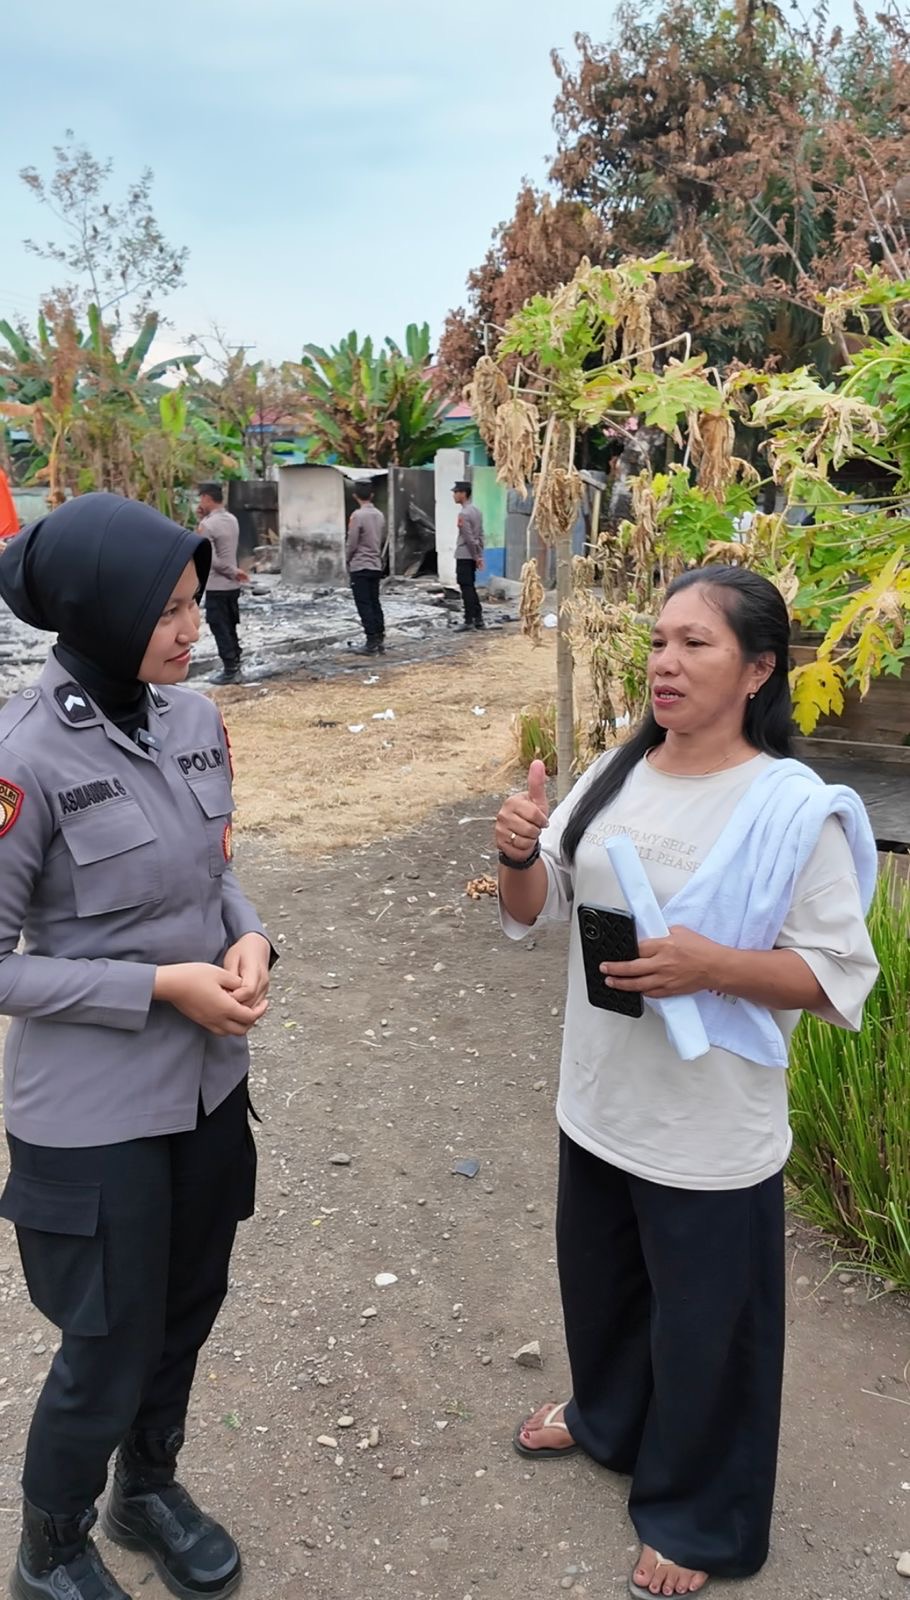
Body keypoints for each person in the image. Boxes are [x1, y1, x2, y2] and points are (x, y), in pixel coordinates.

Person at [495, 566, 879, 1600]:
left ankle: (703, 1515)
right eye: (660, 640)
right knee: (604, 1288)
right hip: (600, 1094)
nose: (665, 661)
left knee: (710, 1325)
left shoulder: (791, 809)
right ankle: (610, 1418)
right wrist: (519, 852)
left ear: (758, 668)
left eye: (694, 644)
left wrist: (713, 966)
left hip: (708, 1126)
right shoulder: (620, 770)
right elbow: (542, 905)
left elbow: (836, 975)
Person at [0, 493, 274, 1600]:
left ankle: (146, 1487)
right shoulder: (25, 756)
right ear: (98, 610)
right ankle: (50, 1548)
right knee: (108, 1341)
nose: (190, 627)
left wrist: (250, 932)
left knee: (185, 1307)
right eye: (165, 610)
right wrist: (155, 985)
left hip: (206, 1089)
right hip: (93, 1112)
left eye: (194, 601)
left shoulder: (193, 719)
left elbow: (210, 869)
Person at [198, 483, 248, 685]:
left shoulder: (208, 525)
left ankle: (230, 670)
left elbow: (210, 558)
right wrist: (235, 573)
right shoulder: (232, 520)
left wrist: (233, 571)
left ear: (208, 498)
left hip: (217, 585)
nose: (200, 502)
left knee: (219, 626)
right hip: (232, 586)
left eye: (201, 498)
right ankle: (235, 663)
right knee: (230, 625)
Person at [346, 480, 386, 655]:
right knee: (375, 601)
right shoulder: (379, 515)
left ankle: (370, 642)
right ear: (372, 495)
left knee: (364, 604)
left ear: (355, 496)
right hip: (375, 564)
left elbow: (352, 542)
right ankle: (379, 638)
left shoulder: (357, 516)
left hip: (360, 565)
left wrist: (347, 559)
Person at [452, 479, 484, 631]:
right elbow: (480, 536)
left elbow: (468, 538)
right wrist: (479, 554)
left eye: (456, 492)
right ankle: (478, 619)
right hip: (473, 553)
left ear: (463, 494)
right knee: (470, 586)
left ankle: (469, 619)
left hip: (465, 554)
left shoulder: (463, 514)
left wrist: (476, 556)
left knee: (466, 587)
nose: (454, 495)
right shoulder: (477, 511)